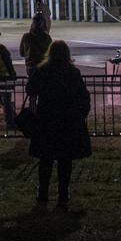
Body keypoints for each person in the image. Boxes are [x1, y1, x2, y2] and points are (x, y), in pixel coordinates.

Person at [25, 41, 90, 210]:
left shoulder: (42, 70)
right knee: (65, 160)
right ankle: (63, 194)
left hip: (46, 119)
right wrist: (80, 114)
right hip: (67, 120)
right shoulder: (73, 72)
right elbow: (83, 96)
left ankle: (43, 193)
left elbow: (30, 89)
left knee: (45, 159)